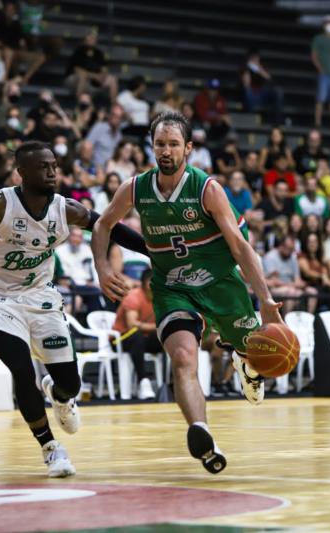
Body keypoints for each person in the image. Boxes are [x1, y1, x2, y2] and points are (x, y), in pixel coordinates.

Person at [91, 111, 284, 474]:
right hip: (172, 287)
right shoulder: (135, 188)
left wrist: (267, 301)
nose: (166, 151)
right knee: (183, 358)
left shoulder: (207, 189)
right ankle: (202, 432)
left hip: (221, 284)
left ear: (189, 149)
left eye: (173, 144)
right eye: (160, 144)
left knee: (252, 349)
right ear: (152, 148)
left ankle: (243, 358)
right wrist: (102, 268)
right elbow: (103, 224)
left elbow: (242, 249)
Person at [0, 141, 149, 477]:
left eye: (54, 165)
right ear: (22, 172)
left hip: (43, 300)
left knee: (70, 383)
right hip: (1, 301)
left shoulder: (66, 209)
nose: (52, 171)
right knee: (22, 370)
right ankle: (51, 448)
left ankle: (58, 394)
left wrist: (153, 251)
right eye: (43, 166)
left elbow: (107, 226)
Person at [112, 268, 159, 400]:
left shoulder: (160, 298)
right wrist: (157, 326)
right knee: (137, 335)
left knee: (169, 336)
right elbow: (132, 324)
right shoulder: (133, 296)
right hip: (120, 339)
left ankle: (171, 382)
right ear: (145, 283)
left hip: (144, 337)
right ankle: (143, 381)